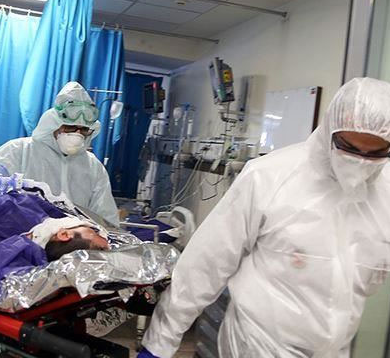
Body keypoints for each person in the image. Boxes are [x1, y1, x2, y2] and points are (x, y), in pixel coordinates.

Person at [138, 77, 390, 358]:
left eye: (376, 153)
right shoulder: (269, 176)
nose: (360, 162)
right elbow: (207, 263)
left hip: (334, 350)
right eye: (349, 148)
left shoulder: (385, 194)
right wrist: (161, 341)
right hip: (257, 345)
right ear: (330, 129)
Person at [0, 81, 120, 226]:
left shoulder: (93, 167)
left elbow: (106, 217)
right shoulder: (20, 150)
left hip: (71, 243)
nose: (77, 134)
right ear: (54, 124)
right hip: (18, 237)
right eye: (69, 127)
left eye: (83, 130)